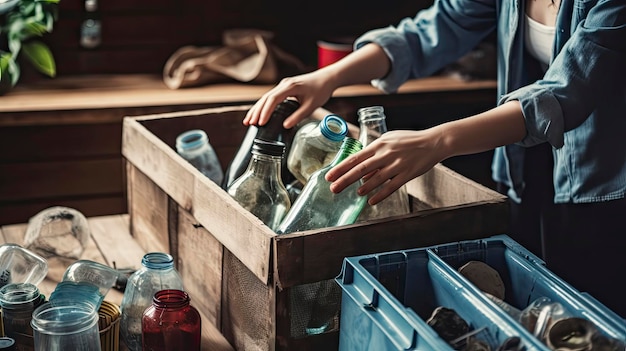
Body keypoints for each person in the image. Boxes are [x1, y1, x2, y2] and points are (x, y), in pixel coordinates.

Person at [243, 0, 626, 317]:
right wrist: (328, 77)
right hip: (525, 165)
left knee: (593, 309)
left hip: (605, 181)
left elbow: (563, 93)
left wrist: (436, 141)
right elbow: (433, 30)